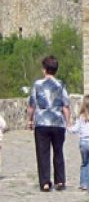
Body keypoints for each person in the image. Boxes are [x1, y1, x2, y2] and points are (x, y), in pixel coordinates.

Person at [27, 55, 70, 192]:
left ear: (44, 69)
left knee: (43, 154)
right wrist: (67, 122)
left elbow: (32, 105)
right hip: (58, 123)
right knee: (58, 152)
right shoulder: (60, 85)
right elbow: (65, 105)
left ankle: (45, 182)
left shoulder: (37, 85)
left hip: (42, 123)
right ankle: (60, 181)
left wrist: (30, 120)